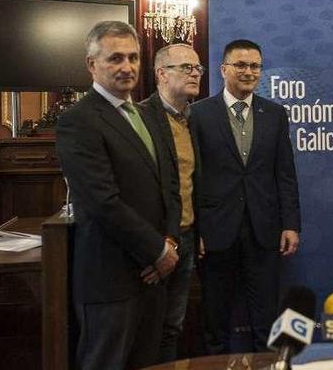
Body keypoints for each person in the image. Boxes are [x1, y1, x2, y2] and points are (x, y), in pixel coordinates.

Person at [55, 21, 179, 369]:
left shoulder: (147, 114)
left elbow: (168, 184)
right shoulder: (77, 121)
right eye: (115, 59)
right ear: (92, 65)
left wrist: (167, 243)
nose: (127, 67)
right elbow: (101, 202)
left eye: (134, 57)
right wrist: (156, 250)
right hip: (110, 282)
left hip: (154, 277)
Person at [189, 38, 301, 354]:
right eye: (240, 65)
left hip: (264, 231)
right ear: (224, 69)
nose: (248, 71)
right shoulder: (198, 114)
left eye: (255, 66)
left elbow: (285, 174)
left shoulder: (275, 114)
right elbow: (192, 177)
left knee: (266, 321)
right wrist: (196, 229)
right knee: (215, 322)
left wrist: (291, 223)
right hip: (215, 232)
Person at [138, 43, 202, 362]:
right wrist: (155, 245)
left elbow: (195, 182)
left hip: (187, 237)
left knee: (173, 327)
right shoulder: (139, 118)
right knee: (147, 328)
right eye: (186, 67)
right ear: (162, 74)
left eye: (198, 68)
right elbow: (135, 191)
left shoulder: (195, 118)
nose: (195, 73)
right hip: (155, 244)